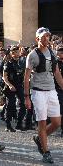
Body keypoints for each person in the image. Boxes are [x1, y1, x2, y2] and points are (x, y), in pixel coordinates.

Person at [24, 27, 63, 163]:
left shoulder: (52, 53)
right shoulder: (32, 55)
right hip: (38, 91)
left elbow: (57, 73)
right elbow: (27, 76)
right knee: (42, 122)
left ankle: (39, 138)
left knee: (57, 122)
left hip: (51, 91)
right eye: (44, 36)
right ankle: (46, 152)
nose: (47, 38)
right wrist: (27, 97)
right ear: (37, 39)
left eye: (48, 36)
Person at [2, 45, 26, 132]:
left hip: (19, 85)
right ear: (11, 54)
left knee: (23, 104)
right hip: (10, 86)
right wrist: (9, 85)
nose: (16, 53)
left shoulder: (21, 62)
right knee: (10, 105)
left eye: (17, 51)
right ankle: (8, 125)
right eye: (14, 52)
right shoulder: (8, 63)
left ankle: (19, 124)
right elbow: (4, 77)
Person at [55, 46, 63, 137]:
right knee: (60, 109)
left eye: (60, 52)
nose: (59, 54)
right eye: (58, 52)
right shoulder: (56, 63)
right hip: (58, 89)